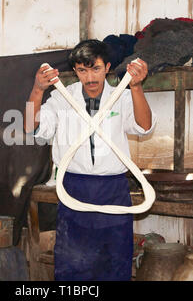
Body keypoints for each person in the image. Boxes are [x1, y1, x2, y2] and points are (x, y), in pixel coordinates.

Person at [24, 39, 156, 280]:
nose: (90, 77)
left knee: (114, 261)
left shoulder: (122, 96)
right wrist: (37, 90)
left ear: (107, 67)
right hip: (74, 188)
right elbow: (31, 128)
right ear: (75, 71)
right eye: (82, 71)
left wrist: (136, 87)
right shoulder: (62, 98)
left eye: (95, 68)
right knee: (74, 263)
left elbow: (144, 127)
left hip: (113, 189)